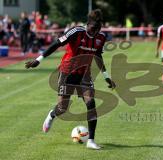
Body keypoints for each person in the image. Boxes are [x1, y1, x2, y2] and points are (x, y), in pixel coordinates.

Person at [25, 9, 116, 150]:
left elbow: (98, 56)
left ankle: (91, 140)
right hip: (68, 72)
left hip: (84, 74)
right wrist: (38, 59)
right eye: (92, 29)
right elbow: (56, 44)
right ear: (87, 25)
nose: (94, 32)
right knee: (62, 108)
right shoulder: (76, 32)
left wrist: (106, 77)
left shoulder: (101, 37)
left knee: (91, 103)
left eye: (97, 30)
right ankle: (52, 114)